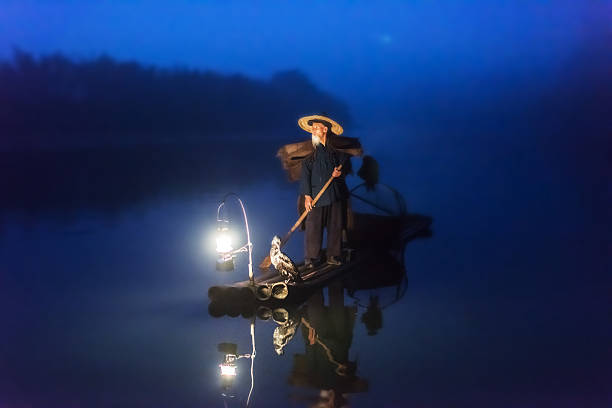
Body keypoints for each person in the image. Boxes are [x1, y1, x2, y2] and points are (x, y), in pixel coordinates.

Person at [298, 114, 350, 267]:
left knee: (335, 226)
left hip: (334, 195)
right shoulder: (311, 153)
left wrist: (339, 173)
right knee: (313, 227)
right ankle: (312, 258)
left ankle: (333, 255)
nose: (313, 131)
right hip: (316, 198)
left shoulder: (335, 152)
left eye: (316, 128)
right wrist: (307, 196)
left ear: (325, 129)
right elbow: (305, 174)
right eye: (312, 129)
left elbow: (344, 166)